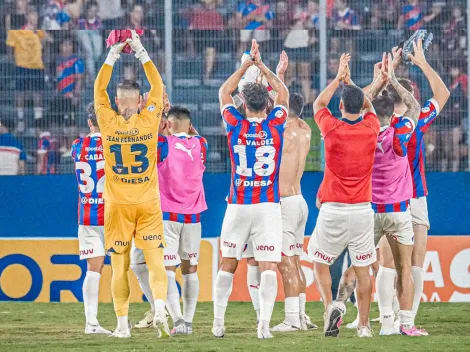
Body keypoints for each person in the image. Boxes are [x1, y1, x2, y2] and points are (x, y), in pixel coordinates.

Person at [94, 30, 168, 339]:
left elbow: (98, 86)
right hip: (148, 202)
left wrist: (112, 54)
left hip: (118, 205)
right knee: (154, 260)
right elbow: (159, 87)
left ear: (114, 100)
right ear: (140, 101)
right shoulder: (150, 119)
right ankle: (161, 307)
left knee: (119, 265)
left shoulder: (106, 120)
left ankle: (122, 325)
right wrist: (140, 51)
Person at [212, 39, 288, 339]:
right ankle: (264, 326)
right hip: (268, 206)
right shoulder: (277, 124)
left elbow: (222, 93)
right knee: (268, 265)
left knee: (228, 263)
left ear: (243, 103)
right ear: (266, 105)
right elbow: (281, 92)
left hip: (239, 205)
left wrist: (246, 65)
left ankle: (218, 323)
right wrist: (263, 66)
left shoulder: (234, 124)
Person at [307, 53, 379, 338]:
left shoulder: (331, 127)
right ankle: (364, 326)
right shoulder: (371, 127)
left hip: (333, 209)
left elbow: (318, 104)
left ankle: (330, 308)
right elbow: (369, 107)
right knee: (363, 270)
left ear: (340, 106)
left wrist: (338, 78)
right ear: (362, 106)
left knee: (320, 262)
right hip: (362, 210)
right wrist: (356, 90)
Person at [382, 39, 450, 329]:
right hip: (415, 197)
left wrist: (390, 72)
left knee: (387, 265)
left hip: (387, 198)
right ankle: (407, 319)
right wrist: (421, 61)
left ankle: (386, 319)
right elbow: (443, 93)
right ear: (411, 98)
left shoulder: (380, 122)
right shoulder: (418, 119)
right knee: (415, 264)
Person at [132, 105, 208, 336]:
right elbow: (191, 133)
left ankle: (178, 320)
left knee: (167, 270)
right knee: (190, 269)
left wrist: (159, 122)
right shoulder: (202, 144)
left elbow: (147, 141)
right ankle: (189, 321)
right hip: (193, 217)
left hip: (167, 217)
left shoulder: (163, 145)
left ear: (169, 124)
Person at [369, 54, 426, 336]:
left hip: (370, 211)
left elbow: (356, 106)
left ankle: (375, 322)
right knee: (404, 266)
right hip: (399, 211)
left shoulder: (362, 132)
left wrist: (377, 82)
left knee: (366, 266)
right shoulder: (399, 132)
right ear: (392, 115)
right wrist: (392, 80)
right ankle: (406, 324)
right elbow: (414, 106)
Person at [71, 103, 110, 336]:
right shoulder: (114, 144)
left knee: (93, 270)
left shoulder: (78, 146)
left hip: (87, 215)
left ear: (89, 122)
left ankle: (92, 323)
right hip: (114, 215)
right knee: (133, 264)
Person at [6, 7, 46, 133]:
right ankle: (21, 121)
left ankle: (38, 122)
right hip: (22, 66)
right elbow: (9, 48)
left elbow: (46, 41)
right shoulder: (17, 32)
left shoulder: (39, 30)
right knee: (20, 94)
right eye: (32, 15)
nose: (35, 17)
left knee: (38, 94)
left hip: (37, 67)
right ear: (27, 17)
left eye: (36, 15)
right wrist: (16, 60)